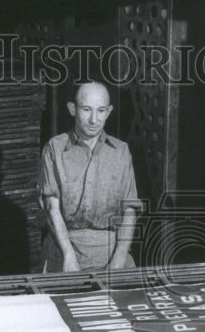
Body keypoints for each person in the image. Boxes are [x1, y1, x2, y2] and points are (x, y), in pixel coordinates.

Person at [38, 81, 141, 272]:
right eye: (86, 109)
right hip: (63, 252)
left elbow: (129, 211)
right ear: (72, 109)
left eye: (101, 111)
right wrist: (68, 256)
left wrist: (119, 260)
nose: (94, 119)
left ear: (109, 111)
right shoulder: (55, 148)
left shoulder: (121, 151)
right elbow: (52, 209)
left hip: (111, 253)